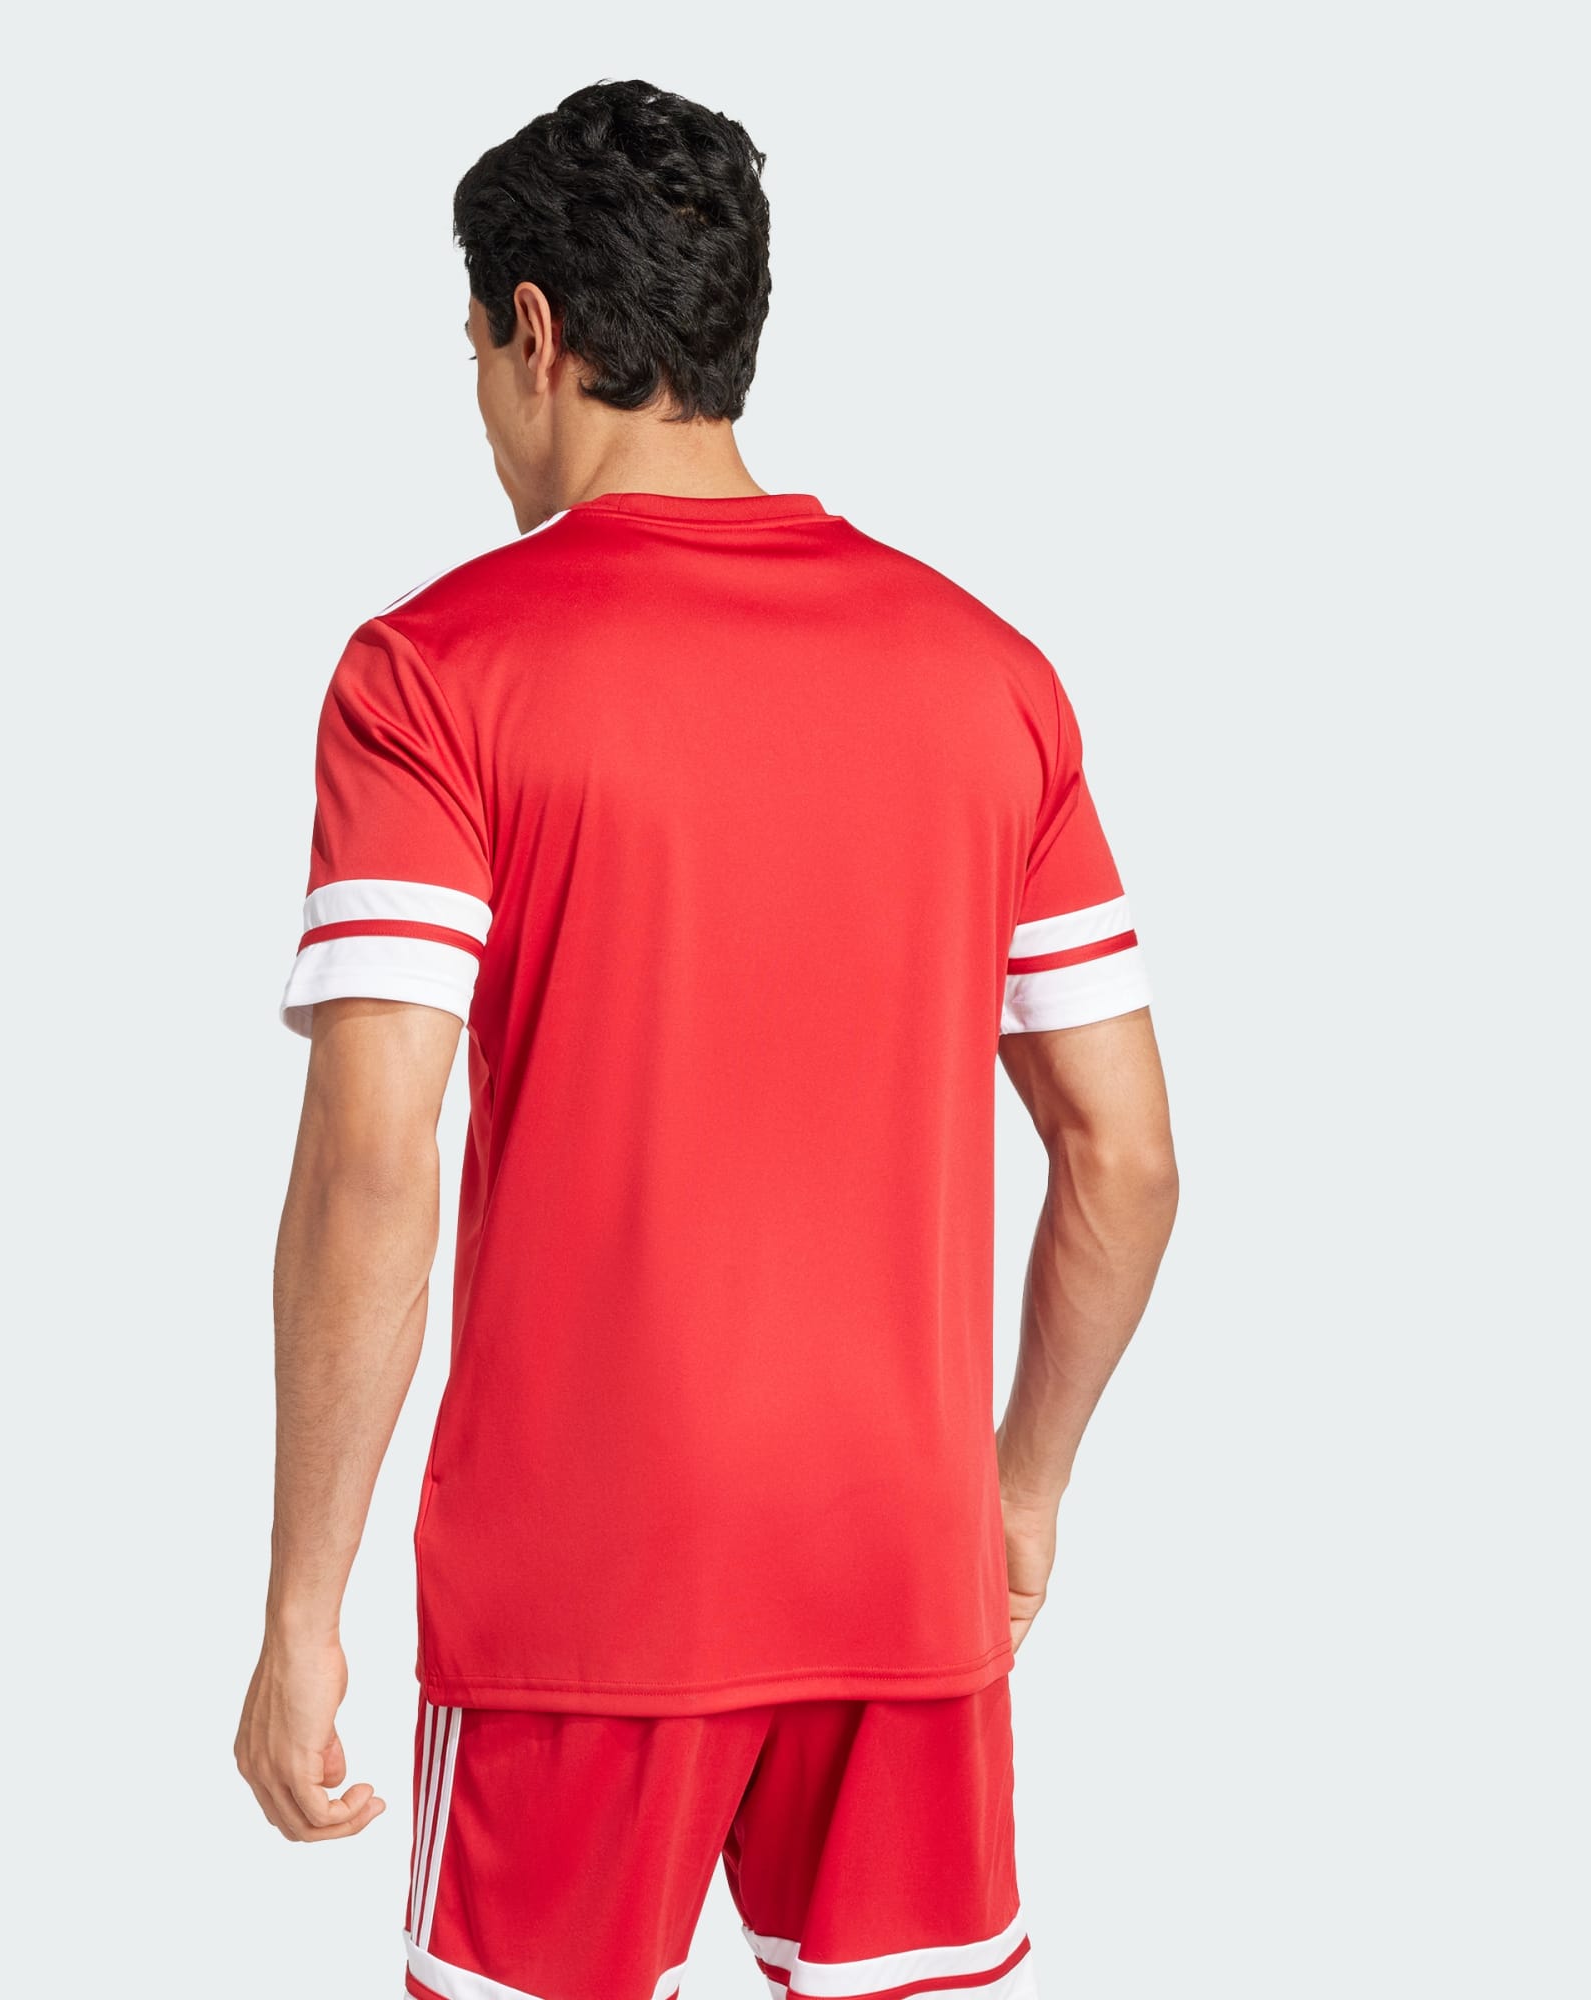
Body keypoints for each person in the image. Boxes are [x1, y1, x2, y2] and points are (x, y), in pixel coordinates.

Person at [235, 78, 1178, 2000]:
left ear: (533, 332)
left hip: (581, 1603)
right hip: (901, 1583)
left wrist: (300, 1608)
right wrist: (1016, 1494)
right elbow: (1127, 1155)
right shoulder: (990, 677)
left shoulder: (432, 678)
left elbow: (370, 1164)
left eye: (471, 351)